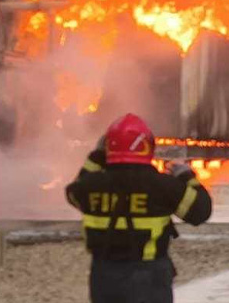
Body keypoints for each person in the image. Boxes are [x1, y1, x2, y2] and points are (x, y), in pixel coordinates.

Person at [65, 113, 213, 303]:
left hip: (104, 275)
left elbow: (74, 193)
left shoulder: (89, 186)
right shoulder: (163, 186)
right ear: (147, 147)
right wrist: (187, 176)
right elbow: (200, 212)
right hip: (148, 276)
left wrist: (96, 157)